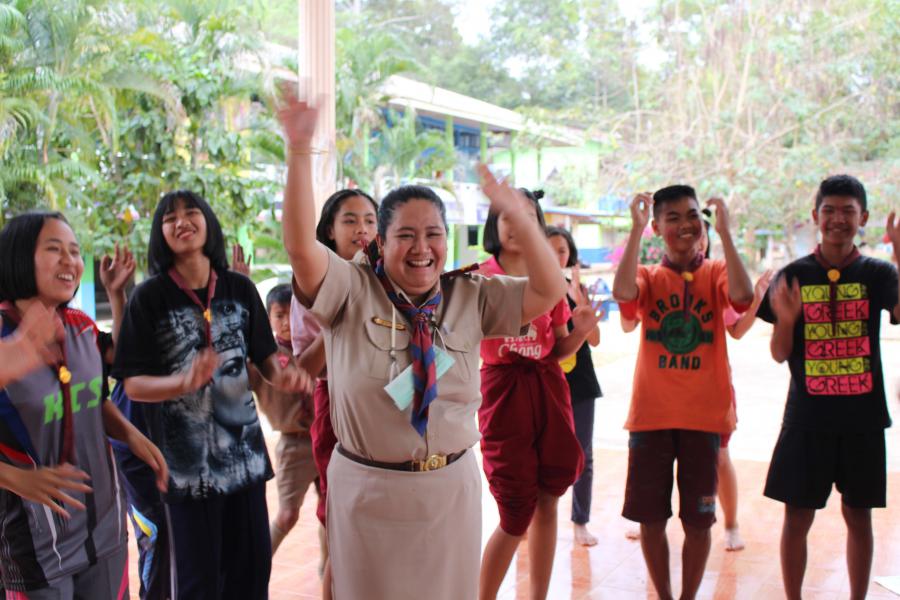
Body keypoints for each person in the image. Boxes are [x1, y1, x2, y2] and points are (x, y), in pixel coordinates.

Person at [278, 87, 566, 600]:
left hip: (449, 491)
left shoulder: (469, 295)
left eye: (433, 234)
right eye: (405, 235)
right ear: (380, 242)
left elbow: (549, 290)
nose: (422, 248)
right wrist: (299, 150)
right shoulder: (351, 289)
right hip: (369, 492)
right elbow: (301, 249)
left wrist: (518, 216)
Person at [112, 190, 312, 600]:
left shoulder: (239, 289)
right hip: (186, 470)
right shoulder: (148, 298)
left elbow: (266, 361)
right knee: (197, 585)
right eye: (170, 218)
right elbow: (132, 384)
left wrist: (285, 377)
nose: (181, 222)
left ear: (208, 223)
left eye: (191, 212)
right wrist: (182, 383)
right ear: (160, 233)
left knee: (251, 576)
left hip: (245, 462)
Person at [0, 212, 167, 599]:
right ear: (18, 257)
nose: (70, 261)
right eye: (54, 249)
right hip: (37, 547)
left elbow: (93, 399)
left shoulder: (82, 327)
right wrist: (15, 478)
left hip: (104, 530)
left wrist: (133, 436)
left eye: (74, 251)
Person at [758, 174, 899, 600]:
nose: (838, 219)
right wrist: (786, 320)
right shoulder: (793, 275)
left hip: (863, 422)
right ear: (815, 216)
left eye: (847, 211)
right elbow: (779, 354)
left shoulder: (878, 273)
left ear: (864, 218)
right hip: (807, 421)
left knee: (859, 518)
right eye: (829, 210)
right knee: (796, 518)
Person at [612, 186, 753, 600]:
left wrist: (725, 233)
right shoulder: (648, 276)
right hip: (651, 418)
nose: (685, 224)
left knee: (698, 522)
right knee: (650, 520)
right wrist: (635, 230)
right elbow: (624, 293)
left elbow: (743, 296)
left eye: (692, 215)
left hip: (703, 420)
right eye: (672, 218)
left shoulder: (716, 272)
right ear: (657, 228)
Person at [477, 195, 597, 600]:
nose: (516, 224)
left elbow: (558, 350)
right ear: (494, 225)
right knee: (515, 512)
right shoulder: (479, 278)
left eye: (526, 216)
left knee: (548, 500)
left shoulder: (550, 280)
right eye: (507, 216)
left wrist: (580, 332)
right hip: (502, 396)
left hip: (548, 391)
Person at [290, 187, 378, 597]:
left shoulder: (384, 276)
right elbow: (307, 369)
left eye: (370, 220)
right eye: (350, 220)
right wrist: (342, 311)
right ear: (329, 229)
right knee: (342, 519)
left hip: (382, 402)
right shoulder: (313, 282)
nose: (362, 229)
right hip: (336, 403)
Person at [698, 217, 774, 552]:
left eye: (700, 233)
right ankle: (651, 521)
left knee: (720, 457)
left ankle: (730, 524)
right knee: (668, 458)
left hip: (713, 390)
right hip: (671, 391)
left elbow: (737, 330)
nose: (695, 239)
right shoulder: (661, 277)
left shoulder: (718, 277)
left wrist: (756, 298)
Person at [546, 226, 603, 548]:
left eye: (562, 251)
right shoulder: (530, 289)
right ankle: (527, 518)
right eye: (550, 249)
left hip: (580, 383)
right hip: (544, 381)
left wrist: (584, 310)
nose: (556, 256)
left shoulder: (577, 291)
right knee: (539, 453)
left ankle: (580, 521)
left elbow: (594, 340)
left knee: (583, 454)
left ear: (570, 256)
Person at [250, 283, 317, 555]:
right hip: (294, 445)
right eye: (279, 315)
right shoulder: (264, 358)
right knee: (287, 515)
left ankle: (327, 571)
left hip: (325, 437)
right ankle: (258, 568)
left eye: (293, 314)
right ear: (268, 319)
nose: (287, 322)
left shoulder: (312, 346)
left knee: (331, 512)